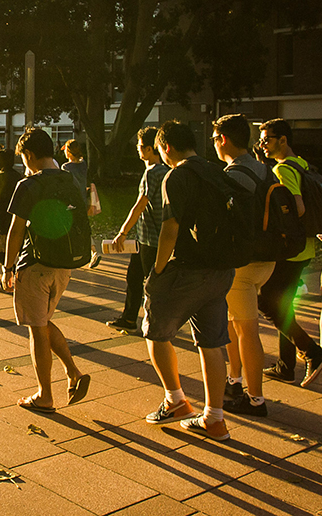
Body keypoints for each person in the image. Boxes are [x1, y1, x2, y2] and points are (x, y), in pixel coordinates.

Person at [142, 120, 236, 441]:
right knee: (212, 343)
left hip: (190, 269)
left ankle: (175, 401)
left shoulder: (176, 175)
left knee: (154, 331)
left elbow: (170, 228)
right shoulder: (216, 170)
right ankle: (214, 417)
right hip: (223, 269)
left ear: (166, 147)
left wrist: (157, 270)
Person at [1, 128, 91, 414]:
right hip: (64, 266)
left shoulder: (29, 185)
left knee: (37, 329)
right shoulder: (72, 178)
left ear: (29, 155)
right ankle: (73, 372)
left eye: (24, 158)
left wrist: (7, 267)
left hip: (36, 265)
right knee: (43, 321)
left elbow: (16, 230)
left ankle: (45, 395)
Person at [210, 115, 277, 417]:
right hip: (268, 258)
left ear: (223, 139)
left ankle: (256, 400)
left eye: (214, 139)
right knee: (235, 323)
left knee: (247, 331)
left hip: (244, 264)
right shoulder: (264, 169)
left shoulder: (234, 174)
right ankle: (234, 380)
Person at [257, 119, 322, 387]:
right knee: (285, 305)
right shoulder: (303, 164)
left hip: (290, 251)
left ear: (283, 140)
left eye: (267, 139)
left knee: (267, 302)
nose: (263, 144)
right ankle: (285, 366)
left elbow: (298, 208)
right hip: (306, 248)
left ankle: (313, 353)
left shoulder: (283, 169)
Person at [105, 127, 167, 333]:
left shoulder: (153, 172)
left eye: (140, 146)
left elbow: (140, 205)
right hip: (150, 237)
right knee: (134, 276)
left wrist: (122, 232)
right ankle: (129, 319)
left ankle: (155, 325)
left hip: (151, 239)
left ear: (150, 149)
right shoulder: (167, 170)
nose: (137, 150)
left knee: (150, 283)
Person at [61, 139, 102, 268]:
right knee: (83, 227)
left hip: (71, 202)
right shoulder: (83, 164)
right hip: (83, 200)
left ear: (68, 152)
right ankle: (93, 252)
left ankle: (71, 255)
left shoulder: (66, 167)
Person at [0, 148, 22, 293]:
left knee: (1, 252)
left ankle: (8, 277)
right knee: (18, 249)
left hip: (2, 216)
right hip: (17, 216)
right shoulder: (18, 177)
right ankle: (16, 276)